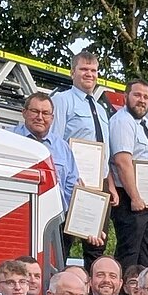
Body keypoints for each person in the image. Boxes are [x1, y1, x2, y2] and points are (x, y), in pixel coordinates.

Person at [15, 91, 98, 262]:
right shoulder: (8, 139)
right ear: (24, 113)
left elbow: (72, 188)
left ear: (52, 118)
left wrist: (86, 223)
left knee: (53, 270)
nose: (40, 117)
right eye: (35, 111)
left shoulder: (63, 148)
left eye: (45, 113)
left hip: (54, 223)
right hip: (17, 218)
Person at [108, 79, 148, 270]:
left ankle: (142, 289)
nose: (142, 100)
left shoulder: (145, 123)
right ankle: (125, 289)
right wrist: (135, 197)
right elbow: (122, 162)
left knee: (146, 254)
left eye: (146, 97)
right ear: (126, 96)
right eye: (137, 95)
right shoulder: (122, 121)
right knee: (129, 255)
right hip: (131, 199)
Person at [50, 50, 110, 146]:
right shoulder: (61, 100)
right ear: (72, 73)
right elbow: (53, 141)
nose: (89, 74)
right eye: (84, 69)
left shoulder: (101, 110)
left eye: (93, 71)